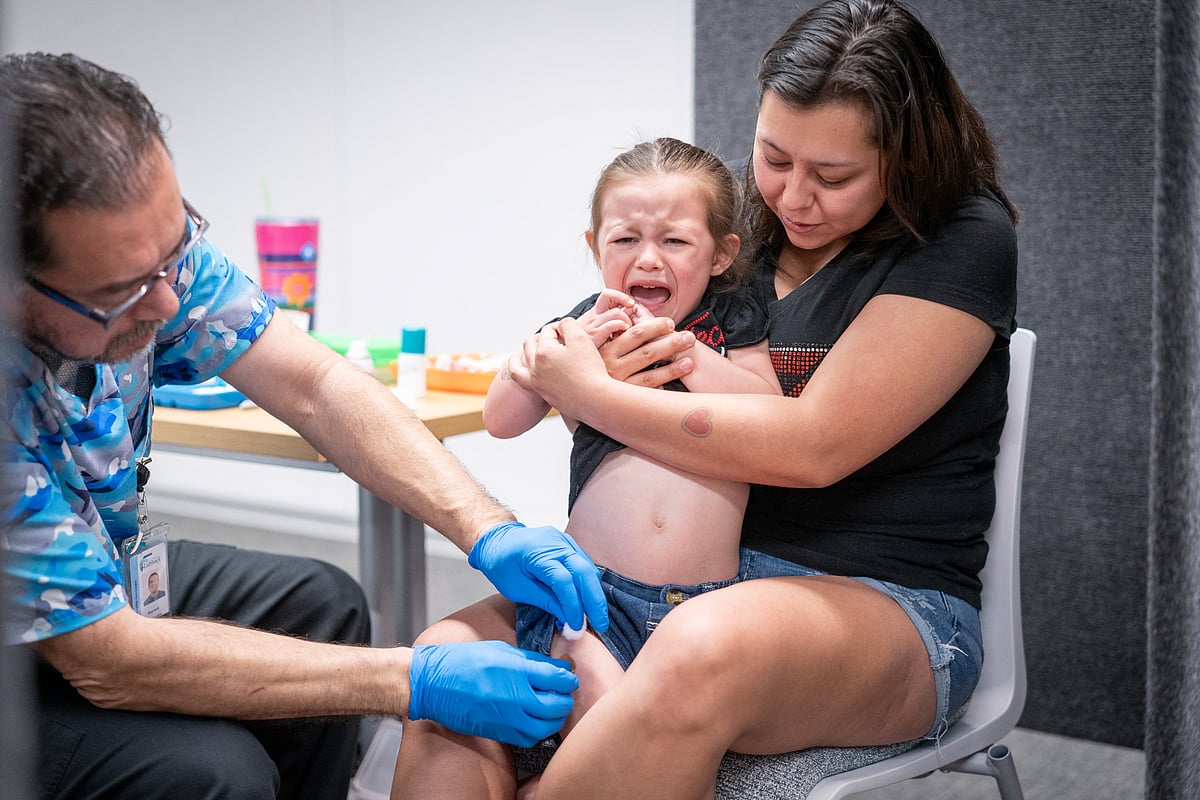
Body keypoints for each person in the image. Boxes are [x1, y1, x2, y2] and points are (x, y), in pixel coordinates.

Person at [390, 0, 1020, 797]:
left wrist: (586, 391)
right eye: (774, 157)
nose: (793, 199)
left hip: (888, 600)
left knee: (697, 645)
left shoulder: (962, 237)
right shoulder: (733, 238)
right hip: (688, 582)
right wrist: (561, 367)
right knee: (450, 663)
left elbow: (812, 446)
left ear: (907, 161)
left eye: (833, 177)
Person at [0, 52, 609, 800]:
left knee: (324, 603)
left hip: (96, 560)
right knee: (217, 775)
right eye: (125, 290)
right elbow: (110, 659)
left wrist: (488, 528)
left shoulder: (147, 260)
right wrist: (410, 680)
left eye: (174, 252)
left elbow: (313, 382)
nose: (167, 303)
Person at [480, 137, 780, 749]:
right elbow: (500, 419)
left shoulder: (732, 316)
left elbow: (769, 409)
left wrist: (685, 350)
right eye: (624, 240)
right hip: (590, 601)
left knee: (658, 739)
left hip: (707, 606)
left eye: (674, 241)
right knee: (615, 738)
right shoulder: (585, 323)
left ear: (721, 254)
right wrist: (543, 360)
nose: (647, 259)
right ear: (594, 247)